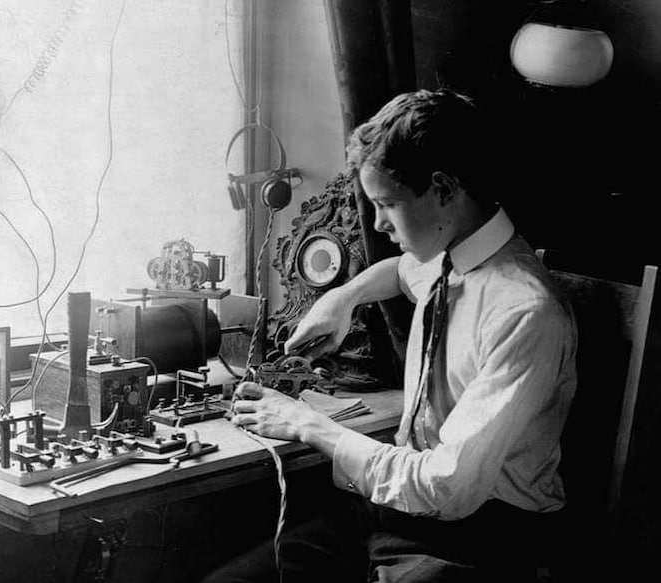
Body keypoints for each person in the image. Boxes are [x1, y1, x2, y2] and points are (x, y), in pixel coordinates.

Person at [203, 88, 578, 582]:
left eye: (388, 204)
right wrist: (344, 298)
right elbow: (402, 272)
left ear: (443, 190)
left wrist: (307, 424)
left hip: (482, 537)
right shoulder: (448, 253)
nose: (378, 223)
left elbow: (447, 488)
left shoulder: (525, 312)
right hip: (397, 515)